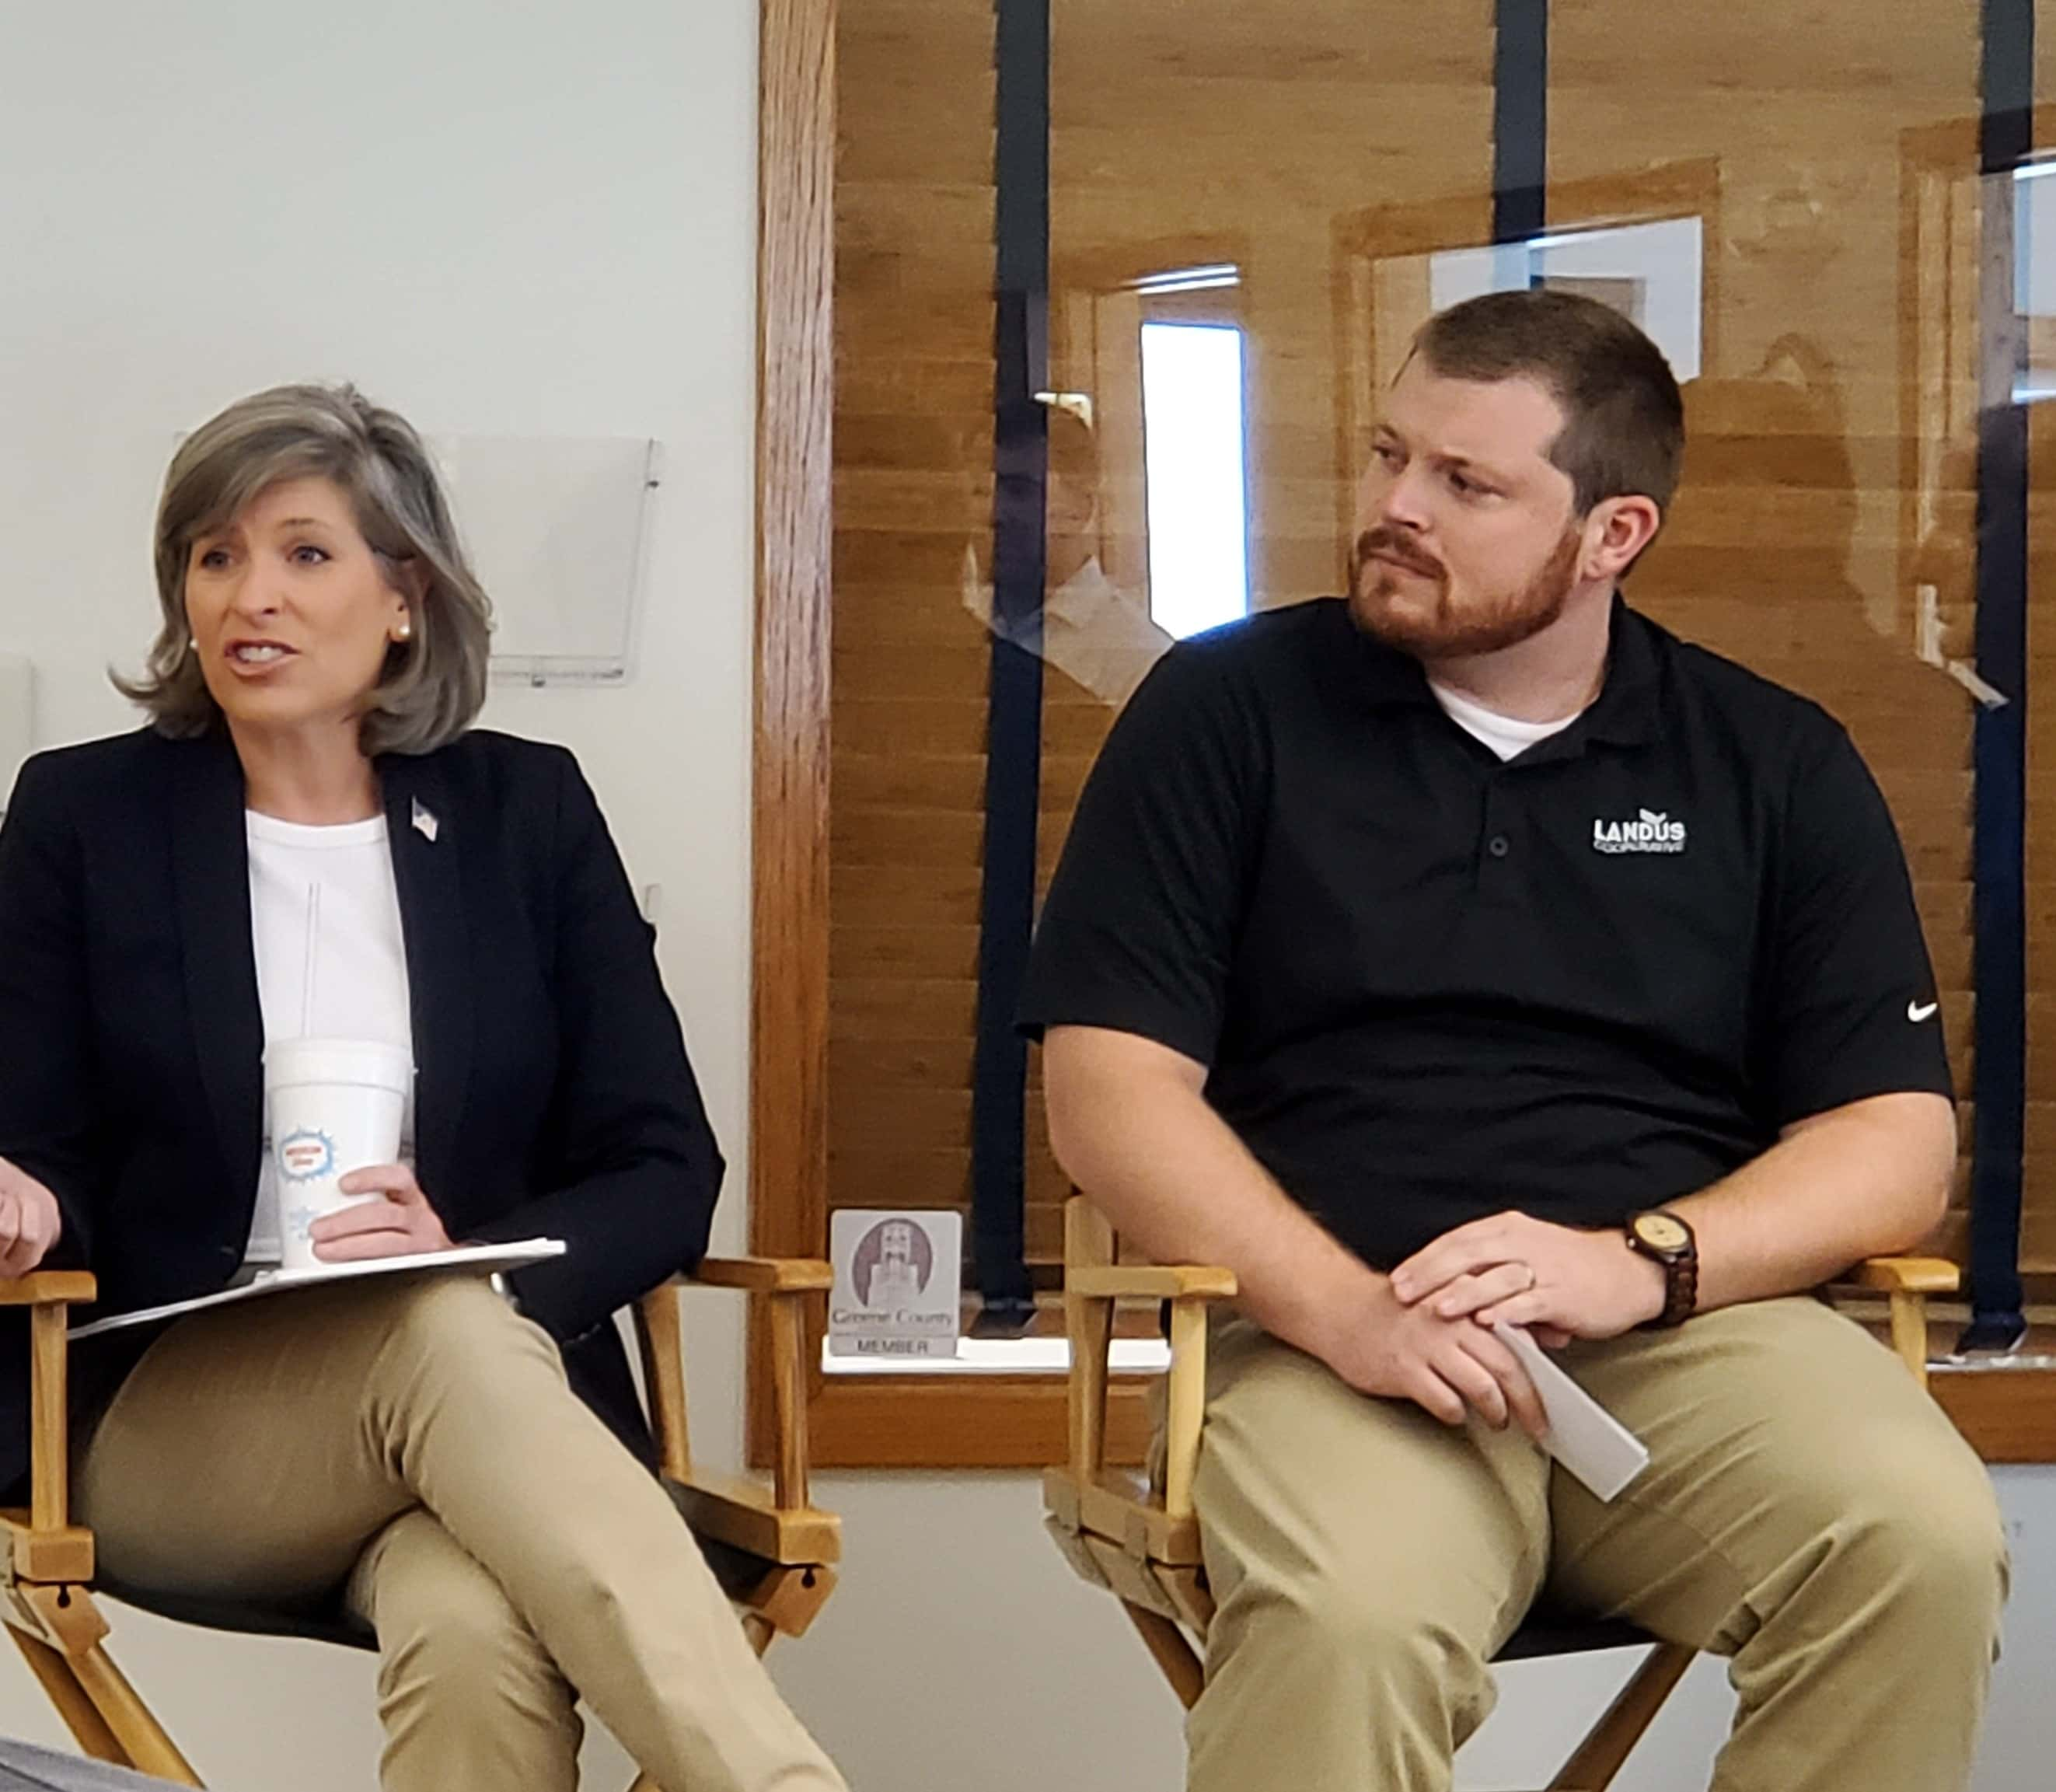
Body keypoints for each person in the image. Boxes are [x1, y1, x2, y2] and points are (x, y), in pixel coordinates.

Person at [1021, 288, 2008, 1792]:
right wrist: (1350, 1314)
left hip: (1683, 1338)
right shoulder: (1224, 712)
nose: (1396, 509)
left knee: (1920, 1546)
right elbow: (1108, 1091)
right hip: (1330, 1339)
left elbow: (1894, 1143)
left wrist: (1641, 1261)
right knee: (1349, 1620)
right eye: (1387, 455)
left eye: (1466, 484)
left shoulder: (1771, 759)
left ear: (1614, 533)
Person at [0, 385, 846, 1792]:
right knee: (435, 1328)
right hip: (173, 1420)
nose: (250, 596)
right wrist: (21, 1190)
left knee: (472, 1631)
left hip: (479, 1414)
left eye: (304, 553)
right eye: (215, 558)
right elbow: (32, 1134)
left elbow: (662, 1165)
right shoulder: (86, 816)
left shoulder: (530, 814)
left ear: (405, 599)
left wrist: (480, 1263)